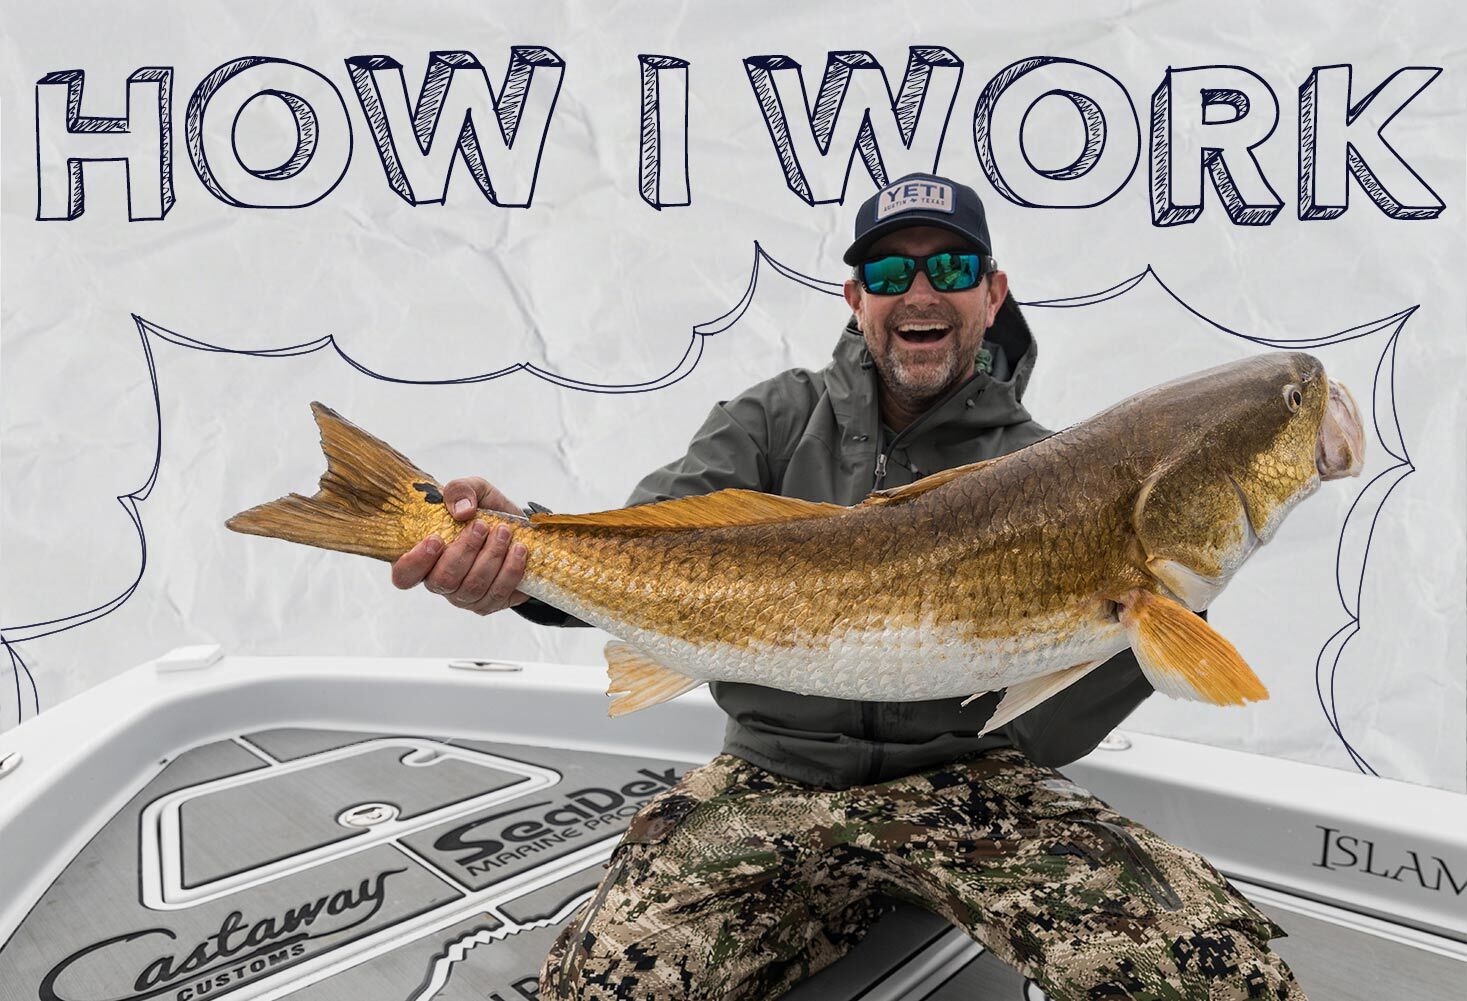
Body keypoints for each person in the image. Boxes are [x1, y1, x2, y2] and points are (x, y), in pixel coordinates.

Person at [391, 173, 1307, 1000]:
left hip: (971, 783)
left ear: (992, 294)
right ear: (855, 296)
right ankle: (831, 901)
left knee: (1219, 982)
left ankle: (870, 894)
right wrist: (518, 563)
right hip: (769, 774)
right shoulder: (770, 420)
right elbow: (639, 545)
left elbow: (1046, 727)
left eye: (951, 267)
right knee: (602, 990)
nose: (920, 291)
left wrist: (1175, 598)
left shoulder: (1051, 469)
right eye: (889, 270)